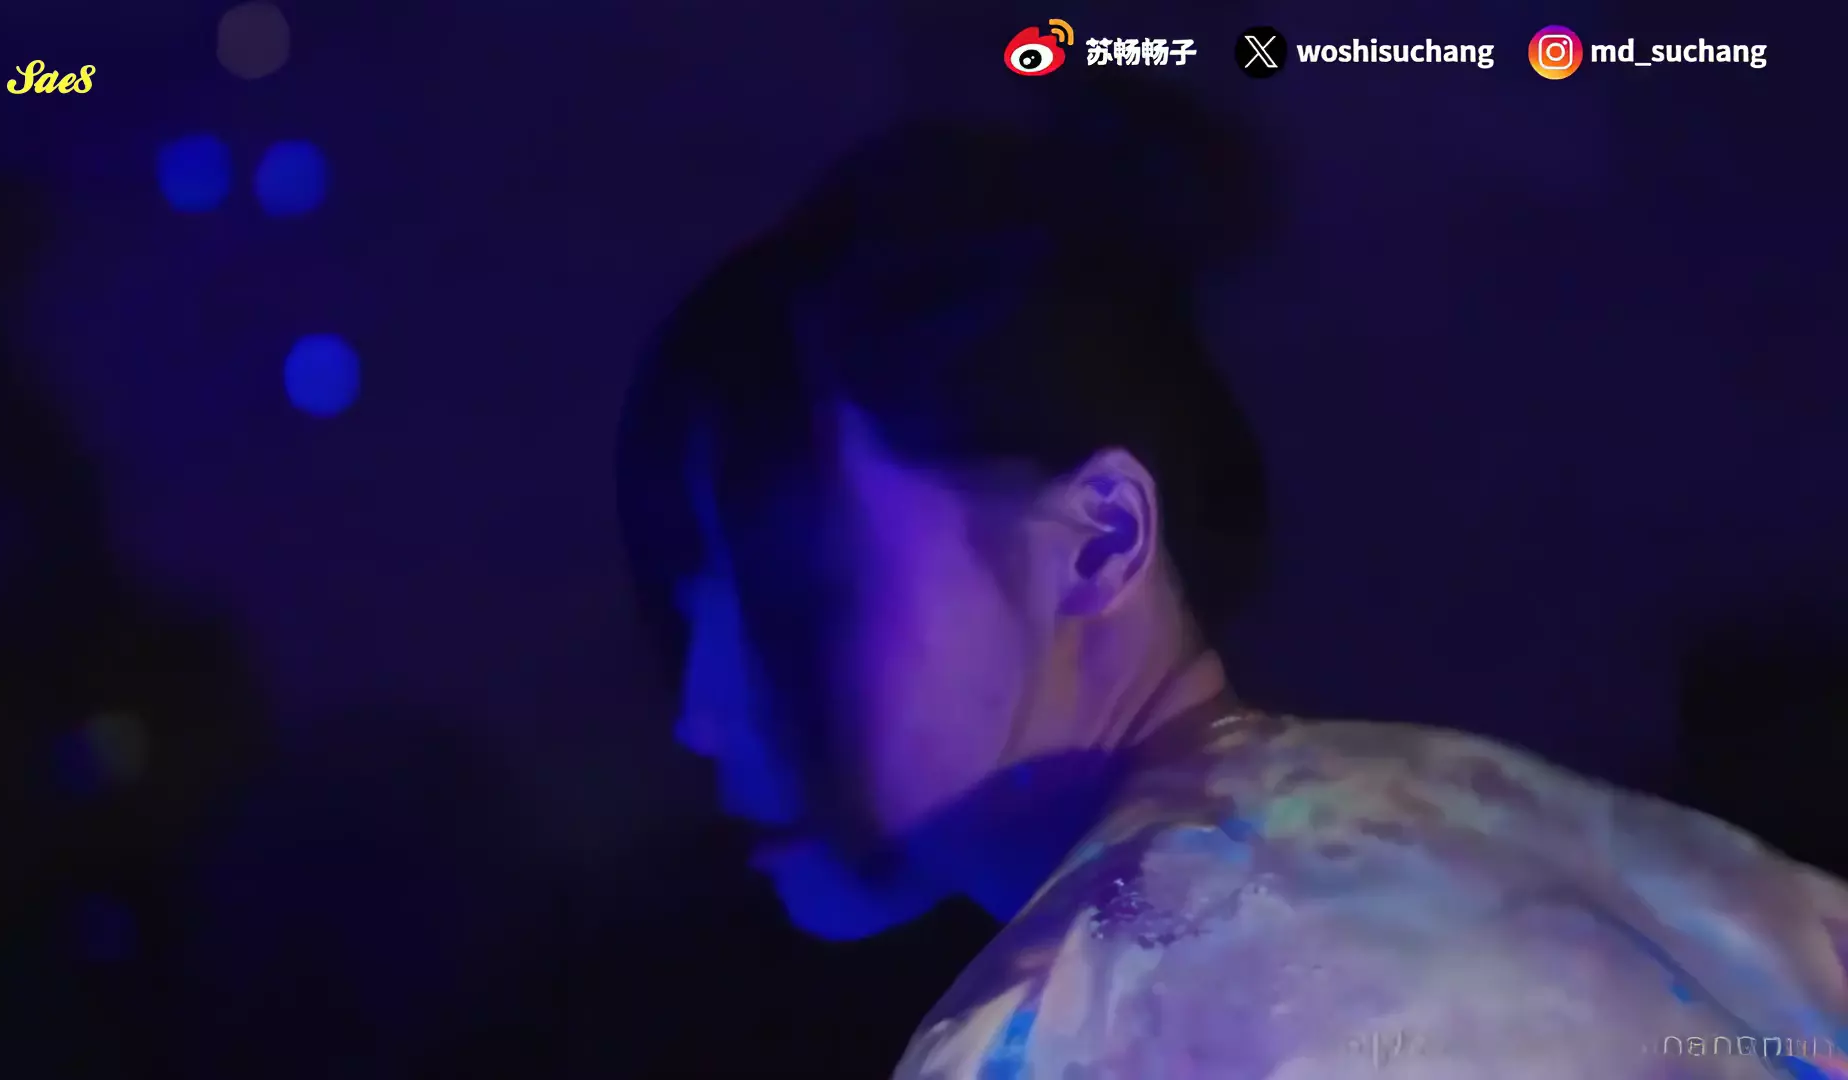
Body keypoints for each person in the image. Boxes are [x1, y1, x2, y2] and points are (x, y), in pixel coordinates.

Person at [618, 88, 1848, 1078]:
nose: (699, 716)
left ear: (1100, 540)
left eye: (781, 598)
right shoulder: (1640, 866)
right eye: (688, 620)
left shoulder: (1078, 1025)